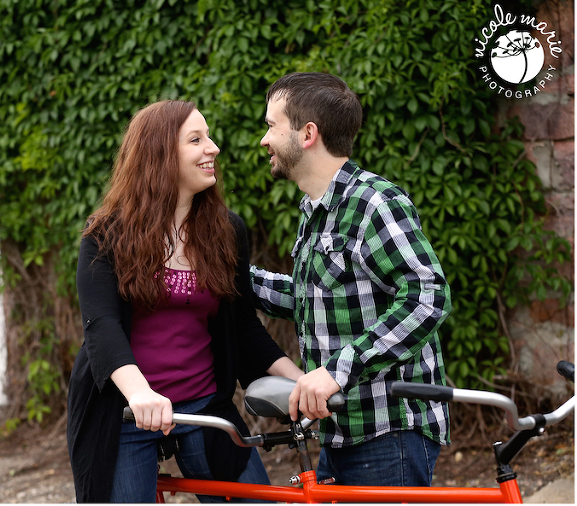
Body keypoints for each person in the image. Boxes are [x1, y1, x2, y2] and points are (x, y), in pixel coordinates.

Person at [67, 100, 304, 503]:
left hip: (205, 408)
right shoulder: (105, 235)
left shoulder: (226, 231)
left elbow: (244, 328)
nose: (212, 148)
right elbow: (101, 327)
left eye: (208, 137)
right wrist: (141, 394)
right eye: (196, 139)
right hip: (124, 412)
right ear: (158, 154)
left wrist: (300, 381)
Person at [250, 72, 452, 487]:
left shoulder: (373, 202)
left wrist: (339, 369)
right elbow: (314, 298)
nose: (263, 140)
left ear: (307, 134)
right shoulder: (317, 210)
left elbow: (427, 296)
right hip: (341, 432)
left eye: (271, 126)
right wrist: (232, 278)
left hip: (387, 431)